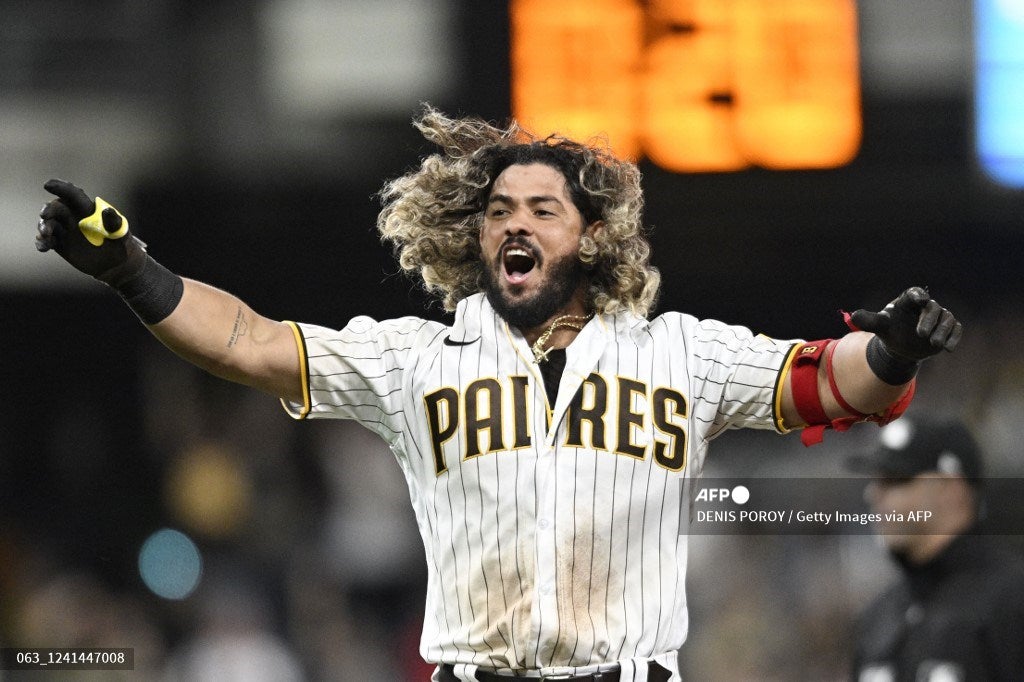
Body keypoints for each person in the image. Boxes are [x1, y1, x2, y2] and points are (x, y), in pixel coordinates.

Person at [35, 107, 963, 681]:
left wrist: (893, 349)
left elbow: (828, 383)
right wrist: (133, 271)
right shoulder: (417, 362)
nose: (514, 223)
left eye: (541, 210)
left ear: (591, 236)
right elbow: (251, 344)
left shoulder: (681, 354)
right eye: (497, 212)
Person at [848, 417, 1024, 682]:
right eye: (876, 481)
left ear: (951, 489)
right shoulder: (878, 616)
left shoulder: (1012, 602)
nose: (873, 495)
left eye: (896, 480)